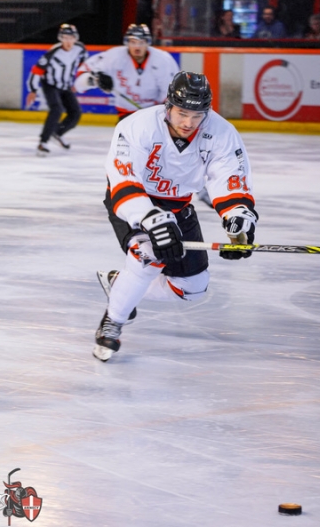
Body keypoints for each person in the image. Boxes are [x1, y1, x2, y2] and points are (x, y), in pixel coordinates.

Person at [93, 72, 257, 363]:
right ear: (168, 105)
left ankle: (120, 284)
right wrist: (150, 218)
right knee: (148, 254)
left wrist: (237, 216)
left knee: (191, 289)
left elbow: (229, 176)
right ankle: (114, 322)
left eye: (197, 115)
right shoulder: (137, 126)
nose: (188, 123)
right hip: (135, 201)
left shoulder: (221, 131)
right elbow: (122, 179)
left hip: (180, 208)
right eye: (182, 113)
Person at [74, 24, 179, 122]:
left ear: (148, 42)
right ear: (127, 42)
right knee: (123, 141)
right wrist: (95, 80)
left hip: (153, 114)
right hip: (125, 113)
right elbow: (81, 79)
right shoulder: (113, 57)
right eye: (133, 42)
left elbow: (172, 89)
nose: (137, 47)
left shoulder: (163, 60)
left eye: (141, 42)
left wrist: (165, 111)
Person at [26, 23, 87, 156]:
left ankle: (58, 133)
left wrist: (80, 82)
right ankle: (43, 142)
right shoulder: (52, 53)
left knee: (75, 113)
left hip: (66, 86)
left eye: (71, 38)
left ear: (75, 38)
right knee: (56, 109)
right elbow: (36, 72)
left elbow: (84, 66)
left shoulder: (80, 49)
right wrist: (33, 90)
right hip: (50, 85)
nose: (68, 41)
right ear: (60, 38)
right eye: (65, 38)